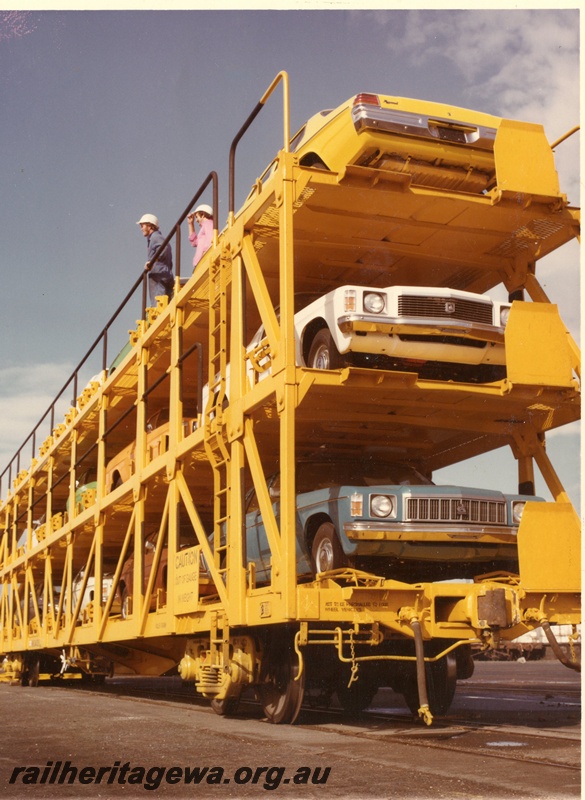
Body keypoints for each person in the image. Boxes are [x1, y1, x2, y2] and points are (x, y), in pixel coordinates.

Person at [137, 213, 174, 305]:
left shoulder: (155, 237)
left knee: (158, 305)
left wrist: (152, 262)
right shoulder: (155, 238)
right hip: (164, 273)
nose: (141, 228)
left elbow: (164, 248)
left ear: (150, 226)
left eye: (142, 226)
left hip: (159, 276)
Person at [187, 204, 214, 269]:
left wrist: (204, 256)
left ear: (203, 215)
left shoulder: (208, 224)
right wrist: (191, 224)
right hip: (200, 263)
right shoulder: (205, 226)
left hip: (203, 261)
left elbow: (211, 240)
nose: (196, 220)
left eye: (197, 217)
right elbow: (194, 243)